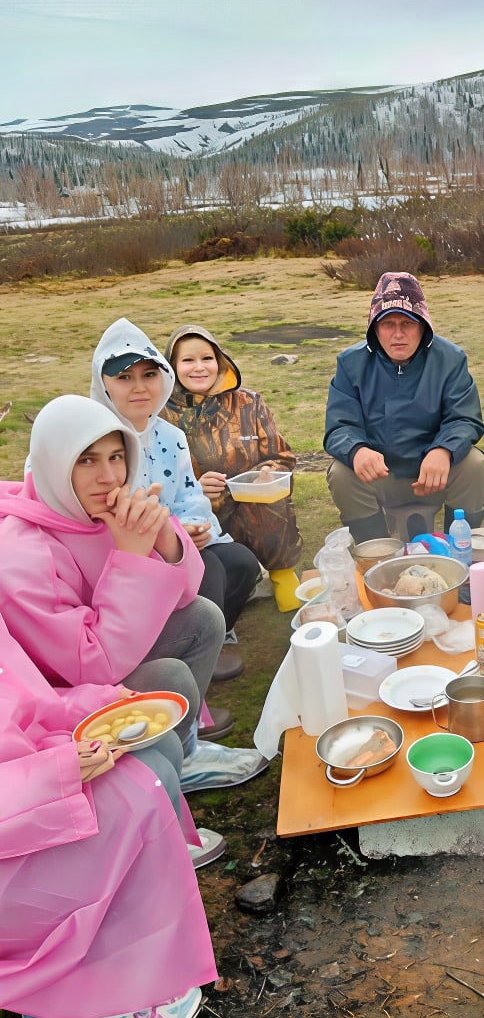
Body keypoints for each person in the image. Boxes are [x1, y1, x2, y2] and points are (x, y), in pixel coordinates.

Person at [0, 395, 269, 798]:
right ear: (53, 464)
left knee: (202, 617)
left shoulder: (95, 508)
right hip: (61, 695)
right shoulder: (23, 554)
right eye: (86, 460)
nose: (108, 476)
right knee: (170, 678)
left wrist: (165, 540)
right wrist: (131, 558)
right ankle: (163, 773)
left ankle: (186, 754)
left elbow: (186, 592)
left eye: (116, 457)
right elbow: (91, 667)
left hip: (108, 650)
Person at [0, 614, 218, 1018]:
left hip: (29, 781)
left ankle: (127, 933)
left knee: (156, 750)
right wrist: (52, 775)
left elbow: (26, 699)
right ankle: (63, 1007)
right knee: (145, 782)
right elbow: (87, 650)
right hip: (16, 822)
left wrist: (97, 702)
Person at [91, 318, 261, 686]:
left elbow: (189, 493)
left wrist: (195, 528)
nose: (140, 387)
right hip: (121, 560)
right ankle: (182, 665)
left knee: (241, 562)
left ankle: (207, 644)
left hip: (178, 542)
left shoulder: (169, 436)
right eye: (124, 377)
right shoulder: (94, 443)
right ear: (103, 383)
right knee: (209, 569)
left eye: (149, 375)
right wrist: (172, 538)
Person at [324, 271, 484, 542]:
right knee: (341, 473)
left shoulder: (451, 359)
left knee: (475, 464)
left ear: (423, 325)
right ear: (374, 328)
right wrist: (357, 450)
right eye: (388, 324)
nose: (398, 334)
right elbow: (339, 426)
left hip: (435, 474)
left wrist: (443, 450)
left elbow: (465, 419)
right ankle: (377, 552)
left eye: (408, 323)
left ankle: (459, 548)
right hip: (381, 476)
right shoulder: (350, 363)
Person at [162, 324, 303, 612]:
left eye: (207, 358)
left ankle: (281, 574)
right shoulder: (160, 413)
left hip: (251, 507)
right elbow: (153, 478)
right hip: (198, 516)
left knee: (271, 499)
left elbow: (283, 456)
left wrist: (267, 473)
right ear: (172, 366)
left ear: (220, 361)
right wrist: (195, 489)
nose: (199, 367)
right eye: (188, 360)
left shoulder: (249, 403)